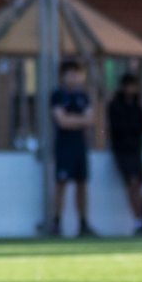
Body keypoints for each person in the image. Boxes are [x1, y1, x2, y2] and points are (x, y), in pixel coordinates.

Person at [48, 59, 95, 237]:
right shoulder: (58, 95)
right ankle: (56, 223)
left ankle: (83, 224)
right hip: (64, 146)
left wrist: (72, 120)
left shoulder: (83, 96)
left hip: (80, 146)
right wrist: (78, 120)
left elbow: (91, 119)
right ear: (63, 76)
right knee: (61, 184)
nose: (73, 77)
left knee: (82, 184)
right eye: (69, 74)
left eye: (76, 74)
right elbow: (62, 121)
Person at [107, 72, 142, 220]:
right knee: (132, 183)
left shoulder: (137, 105)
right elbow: (119, 128)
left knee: (139, 184)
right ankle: (139, 219)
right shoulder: (116, 105)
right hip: (123, 151)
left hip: (136, 150)